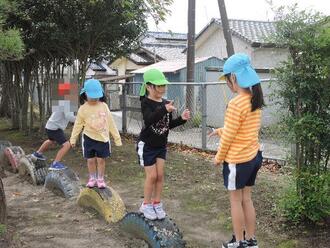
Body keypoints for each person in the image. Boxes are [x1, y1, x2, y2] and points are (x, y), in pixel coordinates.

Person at [210, 53, 264, 248]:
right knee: (246, 199)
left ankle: (239, 243)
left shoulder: (235, 103)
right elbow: (242, 129)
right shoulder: (254, 100)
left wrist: (218, 158)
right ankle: (250, 241)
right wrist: (219, 130)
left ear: (233, 78)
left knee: (235, 201)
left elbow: (230, 137)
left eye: (227, 79)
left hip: (237, 161)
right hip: (254, 157)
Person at [137, 68, 190, 220]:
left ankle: (157, 203)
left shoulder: (166, 103)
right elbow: (149, 119)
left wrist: (181, 119)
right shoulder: (145, 102)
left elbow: (167, 125)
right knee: (152, 176)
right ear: (148, 86)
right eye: (158, 86)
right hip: (147, 145)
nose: (162, 89)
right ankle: (146, 205)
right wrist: (164, 109)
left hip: (161, 146)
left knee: (160, 176)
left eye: (163, 86)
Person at [70, 79, 122, 189]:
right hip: (88, 138)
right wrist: (73, 139)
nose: (94, 98)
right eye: (91, 96)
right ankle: (92, 178)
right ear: (84, 94)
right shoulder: (82, 109)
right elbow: (78, 125)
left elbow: (111, 122)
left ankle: (100, 179)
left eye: (96, 96)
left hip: (103, 139)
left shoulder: (104, 106)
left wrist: (117, 138)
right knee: (90, 160)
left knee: (101, 160)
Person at [32, 83, 77, 170]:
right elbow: (69, 117)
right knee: (67, 145)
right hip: (54, 128)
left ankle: (37, 153)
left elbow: (66, 116)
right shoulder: (67, 103)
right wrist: (79, 119)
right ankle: (55, 163)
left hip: (50, 126)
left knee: (51, 140)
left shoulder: (63, 102)